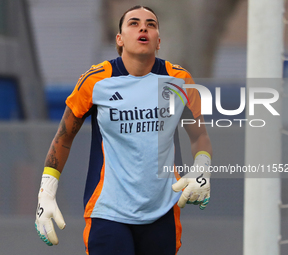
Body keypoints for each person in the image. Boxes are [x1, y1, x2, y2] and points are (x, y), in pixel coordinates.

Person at [35, 5, 212, 255]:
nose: (143, 27)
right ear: (119, 39)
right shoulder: (96, 81)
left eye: (151, 24)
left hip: (162, 212)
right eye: (134, 23)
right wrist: (46, 193)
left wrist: (202, 167)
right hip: (108, 213)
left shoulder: (179, 80)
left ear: (158, 40)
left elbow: (200, 136)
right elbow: (63, 138)